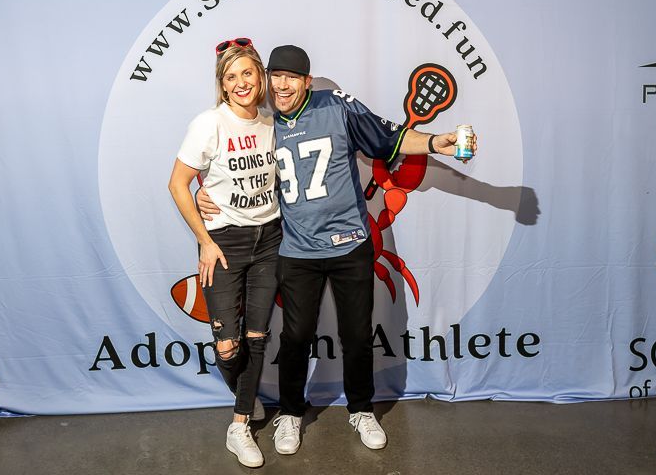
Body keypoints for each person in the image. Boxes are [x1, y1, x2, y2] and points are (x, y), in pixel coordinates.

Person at [198, 44, 475, 455]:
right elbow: (234, 169)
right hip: (296, 249)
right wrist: (205, 192)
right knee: (294, 337)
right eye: (276, 76)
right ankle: (290, 413)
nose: (282, 84)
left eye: (292, 77)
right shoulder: (263, 121)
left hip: (350, 245)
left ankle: (361, 409)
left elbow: (388, 139)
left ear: (307, 81)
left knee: (357, 335)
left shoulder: (337, 105)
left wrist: (439, 142)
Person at [168, 37, 280, 468]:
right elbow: (178, 183)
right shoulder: (208, 123)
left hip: (270, 239)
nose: (240, 83)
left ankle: (239, 425)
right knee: (229, 346)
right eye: (230, 77)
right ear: (221, 84)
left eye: (247, 73)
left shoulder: (271, 122)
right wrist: (206, 241)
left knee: (257, 336)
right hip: (225, 243)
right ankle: (247, 395)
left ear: (260, 76)